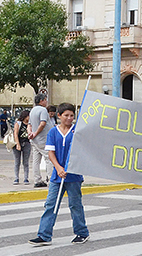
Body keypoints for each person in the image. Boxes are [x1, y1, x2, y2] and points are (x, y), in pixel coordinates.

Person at [29, 103, 89, 246]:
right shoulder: (53, 132)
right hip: (57, 176)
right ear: (59, 116)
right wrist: (59, 168)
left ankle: (81, 232)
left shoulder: (77, 131)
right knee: (51, 204)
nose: (69, 118)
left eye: (72, 116)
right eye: (66, 115)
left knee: (75, 205)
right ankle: (44, 235)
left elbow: (82, 151)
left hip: (73, 175)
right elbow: (51, 153)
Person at [29, 93, 52, 188]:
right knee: (49, 159)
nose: (46, 102)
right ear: (41, 101)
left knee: (36, 160)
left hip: (35, 140)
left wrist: (31, 133)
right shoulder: (43, 110)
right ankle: (51, 179)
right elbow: (43, 123)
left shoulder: (32, 110)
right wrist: (36, 133)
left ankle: (37, 179)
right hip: (43, 139)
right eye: (45, 100)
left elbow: (29, 125)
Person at [12, 110, 31, 185]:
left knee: (26, 162)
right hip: (18, 143)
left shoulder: (30, 124)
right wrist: (17, 144)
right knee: (17, 161)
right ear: (25, 116)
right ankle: (16, 178)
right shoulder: (18, 123)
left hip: (27, 143)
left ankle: (26, 178)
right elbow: (15, 134)